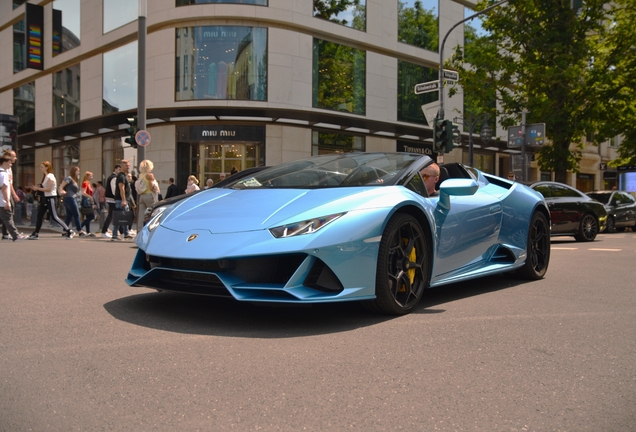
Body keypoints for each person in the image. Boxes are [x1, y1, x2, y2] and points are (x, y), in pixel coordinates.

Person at [28, 161, 74, 239]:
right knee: (40, 215)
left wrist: (38, 188)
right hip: (45, 198)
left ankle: (69, 230)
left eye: (42, 167)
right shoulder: (46, 177)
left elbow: (49, 189)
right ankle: (35, 233)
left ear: (47, 167)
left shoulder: (50, 176)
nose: (40, 168)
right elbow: (45, 187)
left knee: (54, 216)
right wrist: (38, 187)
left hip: (50, 198)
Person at [0, 154, 24, 241]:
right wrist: (7, 201)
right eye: (9, 163)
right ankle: (16, 235)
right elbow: (4, 188)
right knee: (8, 218)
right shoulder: (4, 174)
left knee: (5, 218)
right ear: (4, 163)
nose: (11, 165)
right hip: (2, 201)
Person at [111, 160, 134, 242]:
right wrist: (124, 200)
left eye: (129, 165)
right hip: (121, 200)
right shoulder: (121, 176)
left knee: (124, 217)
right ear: (121, 166)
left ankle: (126, 233)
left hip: (123, 200)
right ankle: (114, 235)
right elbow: (122, 189)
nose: (128, 167)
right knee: (119, 217)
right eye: (126, 165)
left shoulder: (124, 175)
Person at [59, 166, 83, 234]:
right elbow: (61, 186)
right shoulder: (69, 178)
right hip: (70, 198)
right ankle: (80, 231)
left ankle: (64, 230)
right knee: (76, 215)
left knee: (69, 216)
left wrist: (77, 195)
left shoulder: (74, 180)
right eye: (78, 171)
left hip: (71, 198)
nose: (79, 172)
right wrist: (62, 191)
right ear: (74, 171)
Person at [100, 164, 121, 238]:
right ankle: (104, 231)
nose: (119, 171)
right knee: (112, 215)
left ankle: (121, 231)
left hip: (111, 198)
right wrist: (117, 196)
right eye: (119, 169)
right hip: (112, 199)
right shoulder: (114, 177)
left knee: (114, 214)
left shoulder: (113, 177)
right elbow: (114, 189)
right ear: (115, 169)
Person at [135, 159, 155, 232]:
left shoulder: (140, 175)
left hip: (142, 196)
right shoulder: (150, 175)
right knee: (154, 213)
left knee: (141, 215)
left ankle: (139, 230)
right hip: (149, 195)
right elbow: (152, 187)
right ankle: (152, 230)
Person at [79, 171, 96, 236]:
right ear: (87, 176)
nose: (92, 177)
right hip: (86, 201)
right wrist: (90, 197)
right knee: (92, 216)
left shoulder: (88, 183)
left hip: (88, 201)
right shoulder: (85, 183)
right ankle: (80, 227)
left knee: (88, 216)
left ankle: (88, 231)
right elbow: (83, 192)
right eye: (90, 176)